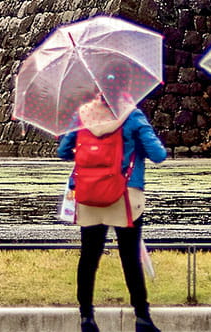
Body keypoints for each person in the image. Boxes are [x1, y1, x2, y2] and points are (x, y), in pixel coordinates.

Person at [59, 96, 169, 332]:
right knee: (130, 258)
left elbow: (63, 151)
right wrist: (135, 147)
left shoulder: (82, 114)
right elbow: (158, 154)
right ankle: (142, 318)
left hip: (90, 193)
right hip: (125, 195)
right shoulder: (132, 115)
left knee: (88, 257)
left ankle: (86, 317)